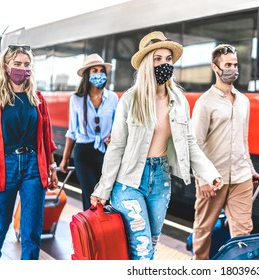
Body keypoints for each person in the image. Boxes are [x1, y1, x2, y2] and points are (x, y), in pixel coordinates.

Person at [90, 31, 223, 260]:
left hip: (160, 179)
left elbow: (189, 143)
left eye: (168, 59)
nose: (164, 64)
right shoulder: (131, 99)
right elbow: (117, 146)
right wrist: (103, 190)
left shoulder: (179, 100)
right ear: (145, 65)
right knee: (141, 248)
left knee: (150, 245)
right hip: (129, 182)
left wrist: (210, 174)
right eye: (157, 59)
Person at [191, 44, 259, 260]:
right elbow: (195, 143)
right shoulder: (205, 102)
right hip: (213, 178)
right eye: (227, 65)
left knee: (243, 232)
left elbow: (243, 140)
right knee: (204, 230)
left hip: (241, 177)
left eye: (235, 64)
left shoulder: (243, 101)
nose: (233, 69)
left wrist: (250, 169)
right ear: (215, 67)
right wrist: (202, 178)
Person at [0, 45, 59, 260]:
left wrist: (52, 168)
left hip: (34, 166)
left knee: (32, 230)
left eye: (26, 64)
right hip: (5, 166)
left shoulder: (37, 99)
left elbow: (46, 138)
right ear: (6, 67)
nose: (23, 69)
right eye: (17, 64)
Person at [59, 54, 119, 210]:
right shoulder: (76, 99)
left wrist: (113, 136)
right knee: (90, 195)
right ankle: (90, 233)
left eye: (101, 71)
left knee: (106, 196)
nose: (98, 74)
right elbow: (72, 131)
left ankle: (103, 232)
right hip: (83, 153)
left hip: (106, 153)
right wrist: (65, 159)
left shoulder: (112, 98)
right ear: (87, 75)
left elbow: (117, 127)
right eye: (94, 70)